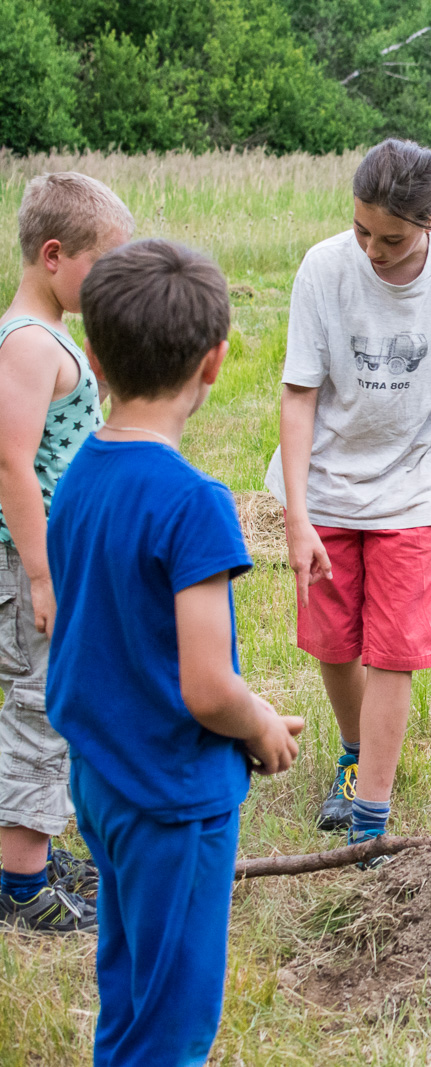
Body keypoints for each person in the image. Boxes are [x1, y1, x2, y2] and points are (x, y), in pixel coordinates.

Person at [48, 238, 304, 1065]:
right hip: (172, 796)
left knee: (130, 986)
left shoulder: (78, 474)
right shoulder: (195, 504)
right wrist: (260, 723)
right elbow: (207, 686)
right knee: (174, 1027)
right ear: (215, 361)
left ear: (93, 358)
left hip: (101, 779)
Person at [266, 139, 431, 857]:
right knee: (334, 642)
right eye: (362, 231)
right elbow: (298, 393)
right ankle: (354, 755)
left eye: (392, 239)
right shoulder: (325, 268)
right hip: (325, 488)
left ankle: (371, 816)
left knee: (395, 650)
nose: (373, 250)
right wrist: (296, 515)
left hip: (411, 489)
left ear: (430, 222)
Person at [0, 173, 132, 933]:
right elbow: (12, 463)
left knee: (60, 701)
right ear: (54, 256)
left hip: (52, 559)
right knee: (39, 706)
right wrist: (44, 574)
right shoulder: (26, 343)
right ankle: (20, 886)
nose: (111, 280)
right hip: (32, 565)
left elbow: (64, 436)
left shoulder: (48, 338)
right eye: (101, 264)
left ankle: (36, 850)